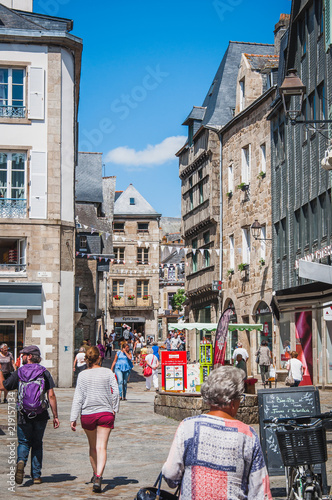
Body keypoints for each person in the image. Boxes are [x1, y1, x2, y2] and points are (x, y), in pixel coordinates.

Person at [162, 366, 272, 500]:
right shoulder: (247, 435)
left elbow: (170, 473)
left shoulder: (187, 426)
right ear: (232, 402)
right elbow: (260, 490)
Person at [0, 345, 60, 485]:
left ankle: (21, 461)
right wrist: (55, 415)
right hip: (41, 413)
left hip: (23, 413)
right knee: (37, 443)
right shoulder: (44, 372)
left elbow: (4, 386)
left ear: (30, 356)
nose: (22, 357)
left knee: (23, 442)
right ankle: (37, 476)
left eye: (24, 354)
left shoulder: (19, 372)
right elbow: (51, 395)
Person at [70, 346, 119, 493]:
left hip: (88, 414)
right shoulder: (107, 372)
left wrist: (73, 417)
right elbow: (116, 392)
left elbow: (78, 398)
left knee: (92, 447)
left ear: (86, 359)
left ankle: (95, 474)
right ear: (99, 358)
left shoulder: (82, 375)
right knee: (101, 447)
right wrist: (114, 409)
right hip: (105, 413)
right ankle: (99, 475)